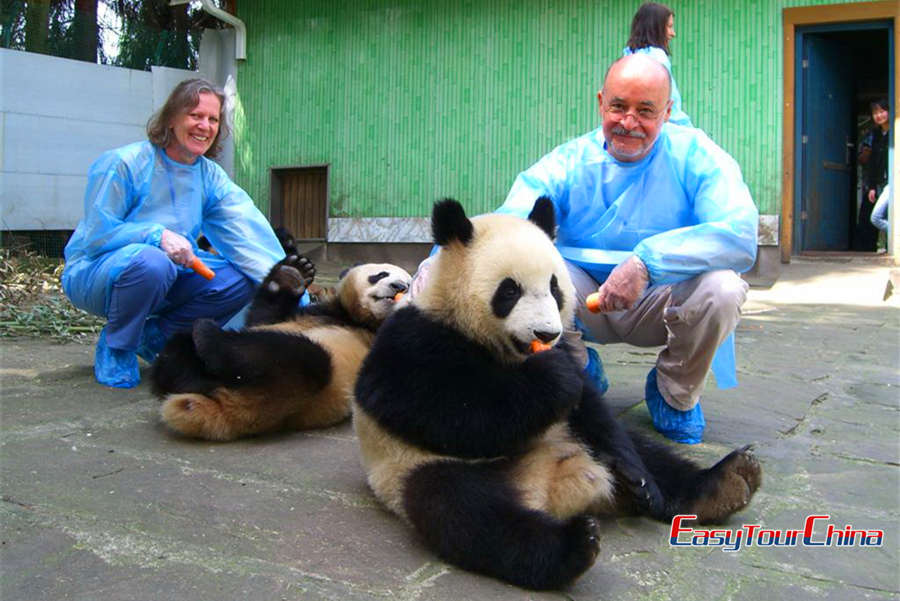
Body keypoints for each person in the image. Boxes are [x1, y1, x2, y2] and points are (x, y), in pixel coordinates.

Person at [496, 54, 758, 444]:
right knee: (528, 275)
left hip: (663, 299)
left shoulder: (697, 155)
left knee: (723, 289)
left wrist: (646, 263)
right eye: (618, 106)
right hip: (582, 301)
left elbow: (739, 233)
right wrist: (445, 263)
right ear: (601, 102)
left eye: (645, 110)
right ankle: (577, 371)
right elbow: (511, 222)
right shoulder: (570, 161)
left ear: (667, 112)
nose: (628, 122)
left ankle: (675, 393)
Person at [62, 78, 292, 389]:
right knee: (152, 262)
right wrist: (155, 235)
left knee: (242, 279)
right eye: (195, 115)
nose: (205, 126)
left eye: (213, 119)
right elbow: (97, 235)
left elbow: (248, 233)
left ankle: (155, 336)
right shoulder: (123, 164)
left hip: (172, 271)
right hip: (97, 273)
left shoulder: (209, 176)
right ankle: (118, 345)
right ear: (171, 118)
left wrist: (287, 288)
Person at [623, 2, 692, 127]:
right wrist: (687, 129)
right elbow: (669, 103)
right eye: (669, 27)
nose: (673, 33)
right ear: (656, 28)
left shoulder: (628, 55)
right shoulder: (657, 58)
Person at [856, 98, 890, 249]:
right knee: (873, 217)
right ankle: (871, 247)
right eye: (875, 112)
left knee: (879, 217)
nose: (879, 115)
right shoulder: (874, 135)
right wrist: (871, 187)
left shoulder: (895, 132)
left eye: (882, 111)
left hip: (892, 182)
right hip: (878, 183)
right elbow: (869, 162)